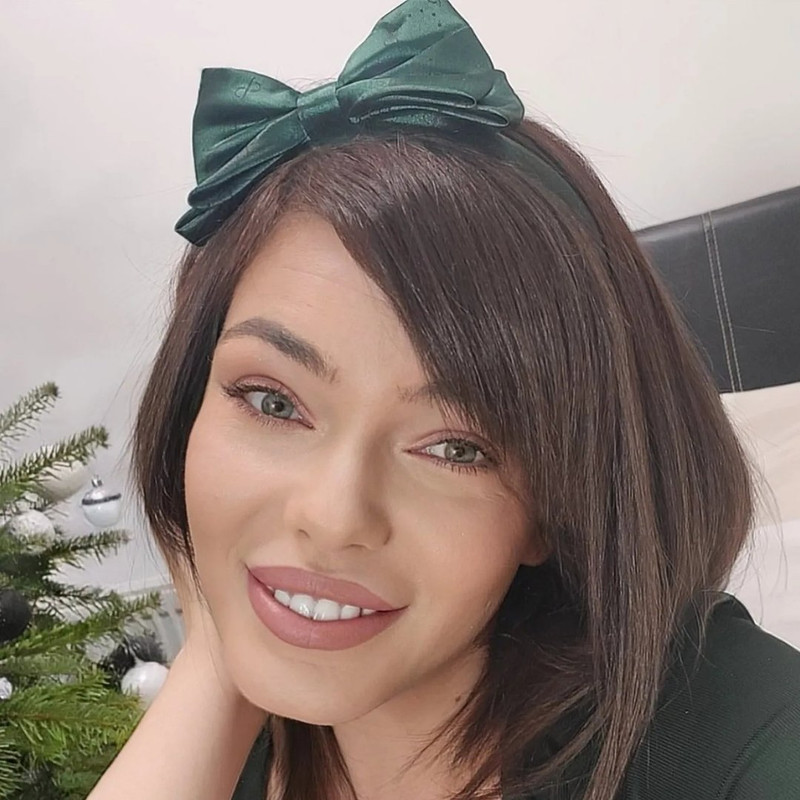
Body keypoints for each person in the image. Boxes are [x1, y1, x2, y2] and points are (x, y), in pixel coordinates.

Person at [86, 1, 800, 799]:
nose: (332, 517)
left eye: (458, 447)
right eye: (273, 403)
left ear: (555, 503)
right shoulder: (224, 743)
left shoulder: (736, 735)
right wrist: (214, 666)